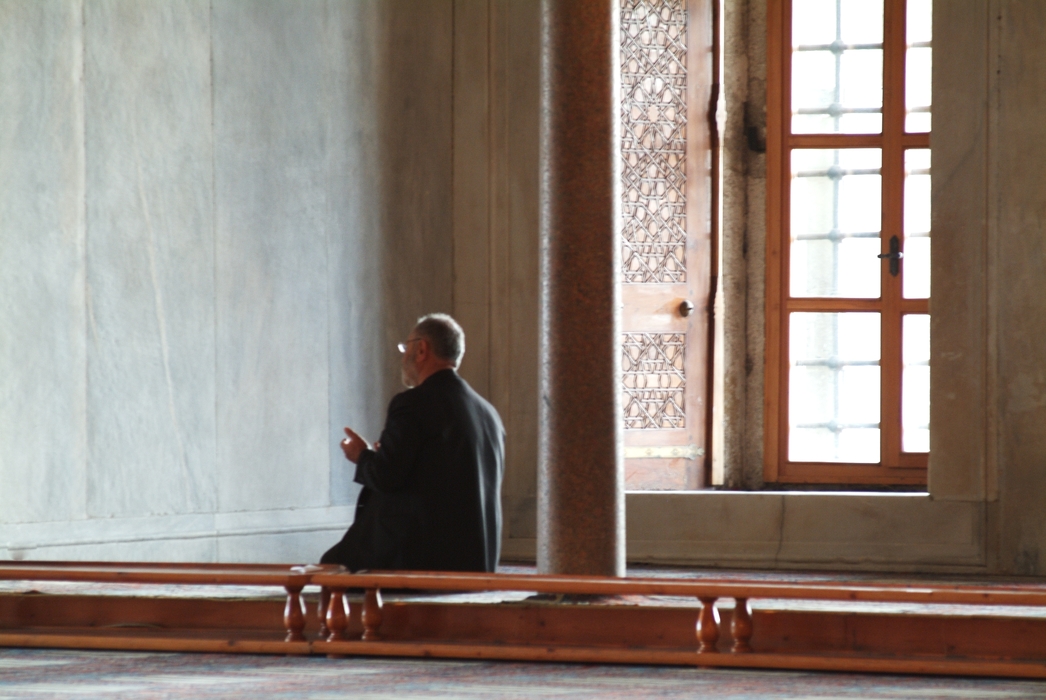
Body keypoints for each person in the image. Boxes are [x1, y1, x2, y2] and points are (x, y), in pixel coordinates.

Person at [320, 313, 505, 572]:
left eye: (406, 347)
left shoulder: (412, 403)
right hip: (475, 560)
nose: (403, 353)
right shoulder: (488, 413)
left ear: (421, 349)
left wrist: (362, 455)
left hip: (424, 555)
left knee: (331, 569)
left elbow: (387, 477)